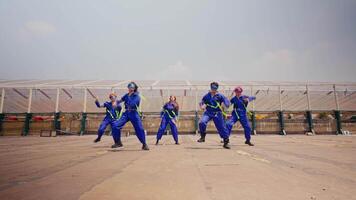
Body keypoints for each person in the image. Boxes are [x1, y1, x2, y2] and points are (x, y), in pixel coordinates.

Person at [112, 82, 149, 150]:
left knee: (139, 129)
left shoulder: (137, 96)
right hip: (126, 113)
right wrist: (116, 102)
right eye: (129, 87)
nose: (130, 89)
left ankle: (144, 144)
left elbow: (133, 103)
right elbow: (120, 100)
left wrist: (126, 101)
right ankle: (118, 142)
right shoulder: (126, 95)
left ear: (134, 88)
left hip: (134, 113)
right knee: (115, 125)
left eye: (132, 87)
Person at [198, 82, 231, 149]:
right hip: (208, 112)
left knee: (221, 127)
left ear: (217, 88)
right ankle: (203, 136)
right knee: (202, 122)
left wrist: (227, 104)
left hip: (217, 113)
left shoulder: (220, 96)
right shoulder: (207, 95)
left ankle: (226, 142)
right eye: (212, 88)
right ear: (210, 87)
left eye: (215, 88)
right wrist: (202, 106)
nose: (213, 89)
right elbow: (202, 102)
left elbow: (226, 101)